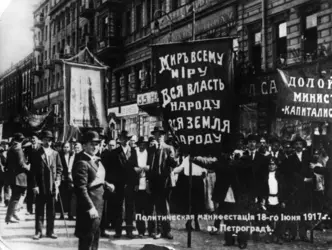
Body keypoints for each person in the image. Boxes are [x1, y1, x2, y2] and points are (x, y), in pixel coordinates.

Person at [72, 130, 115, 250]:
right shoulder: (82, 162)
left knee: (94, 239)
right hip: (89, 208)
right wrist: (90, 207)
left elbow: (95, 178)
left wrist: (106, 184)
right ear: (84, 146)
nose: (95, 146)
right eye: (91, 144)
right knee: (87, 241)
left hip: (98, 205)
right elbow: (81, 188)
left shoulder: (95, 160)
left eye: (96, 144)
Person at [31, 130, 63, 240]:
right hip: (40, 186)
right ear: (41, 140)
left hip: (52, 187)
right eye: (45, 139)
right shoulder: (36, 153)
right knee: (39, 210)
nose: (48, 142)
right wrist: (35, 185)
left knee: (52, 210)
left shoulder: (55, 153)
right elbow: (33, 171)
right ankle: (38, 232)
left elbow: (59, 169)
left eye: (50, 140)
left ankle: (50, 231)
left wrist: (58, 179)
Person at [147, 126, 177, 239]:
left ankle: (167, 230)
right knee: (157, 207)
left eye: (160, 134)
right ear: (153, 136)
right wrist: (148, 181)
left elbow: (173, 164)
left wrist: (173, 158)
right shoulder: (151, 149)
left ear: (163, 136)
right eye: (156, 134)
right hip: (154, 182)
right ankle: (158, 230)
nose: (158, 137)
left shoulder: (169, 148)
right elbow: (149, 166)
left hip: (165, 182)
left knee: (165, 207)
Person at [107, 130, 138, 239]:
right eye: (124, 138)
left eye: (128, 138)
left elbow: (135, 169)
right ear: (120, 139)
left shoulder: (134, 151)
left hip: (130, 184)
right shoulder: (114, 152)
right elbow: (110, 170)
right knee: (118, 208)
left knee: (130, 208)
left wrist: (136, 183)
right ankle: (118, 230)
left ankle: (129, 231)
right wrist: (112, 183)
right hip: (118, 184)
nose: (126, 141)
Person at [286, 135, 313, 242]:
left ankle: (303, 234)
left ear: (303, 146)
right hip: (295, 189)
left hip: (306, 190)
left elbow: (311, 172)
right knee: (293, 212)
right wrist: (303, 179)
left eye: (300, 144)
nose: (298, 146)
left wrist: (312, 170)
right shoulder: (290, 158)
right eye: (296, 144)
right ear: (293, 146)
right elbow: (291, 173)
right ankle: (293, 234)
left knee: (304, 212)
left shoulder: (308, 157)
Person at [260, 157, 287, 245]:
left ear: (276, 166)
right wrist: (263, 199)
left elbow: (283, 189)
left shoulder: (280, 176)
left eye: (273, 164)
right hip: (268, 199)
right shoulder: (265, 176)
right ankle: (269, 236)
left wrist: (283, 201)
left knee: (279, 219)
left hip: (278, 199)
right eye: (270, 164)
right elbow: (263, 189)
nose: (271, 166)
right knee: (268, 219)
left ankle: (278, 236)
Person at [5, 133, 29, 224]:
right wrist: (28, 166)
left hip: (12, 175)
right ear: (21, 140)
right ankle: (9, 217)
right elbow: (21, 164)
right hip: (19, 177)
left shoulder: (10, 149)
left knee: (15, 196)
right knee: (15, 197)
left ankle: (13, 213)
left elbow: (7, 163)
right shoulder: (18, 149)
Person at [134, 137, 154, 238]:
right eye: (140, 144)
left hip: (147, 184)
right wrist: (135, 170)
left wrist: (148, 168)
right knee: (139, 210)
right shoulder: (134, 153)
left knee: (149, 210)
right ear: (138, 144)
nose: (142, 146)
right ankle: (140, 230)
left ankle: (151, 230)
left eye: (144, 144)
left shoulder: (150, 153)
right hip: (138, 185)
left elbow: (154, 167)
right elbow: (130, 167)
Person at [100, 139, 117, 237]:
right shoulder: (104, 155)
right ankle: (103, 227)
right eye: (109, 145)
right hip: (105, 183)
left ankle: (113, 223)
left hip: (115, 184)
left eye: (113, 145)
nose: (111, 147)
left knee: (113, 205)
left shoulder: (117, 155)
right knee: (104, 207)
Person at [59, 141, 75, 220]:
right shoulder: (60, 155)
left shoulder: (72, 155)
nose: (66, 149)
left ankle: (70, 214)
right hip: (62, 178)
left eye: (67, 147)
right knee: (62, 196)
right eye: (64, 147)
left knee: (70, 196)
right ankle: (62, 213)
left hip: (70, 178)